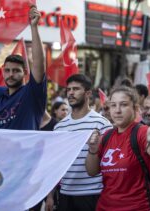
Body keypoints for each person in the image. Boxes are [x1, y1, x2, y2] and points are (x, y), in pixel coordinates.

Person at [86, 86, 150, 211]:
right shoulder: (106, 136)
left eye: (123, 105)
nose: (117, 110)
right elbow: (92, 171)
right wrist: (93, 149)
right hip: (104, 206)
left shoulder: (141, 131)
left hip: (138, 207)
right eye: (113, 105)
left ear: (136, 108)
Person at [45, 74, 112, 211]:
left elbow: (109, 163)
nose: (71, 93)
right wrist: (50, 196)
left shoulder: (102, 123)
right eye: (68, 89)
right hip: (65, 194)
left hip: (93, 194)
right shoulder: (59, 127)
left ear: (88, 93)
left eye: (75, 89)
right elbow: (54, 164)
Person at [0, 5, 46, 130]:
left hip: (26, 150)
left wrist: (34, 27)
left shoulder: (32, 93)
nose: (11, 74)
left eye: (16, 70)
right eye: (7, 70)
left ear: (26, 72)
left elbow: (39, 62)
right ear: (2, 71)